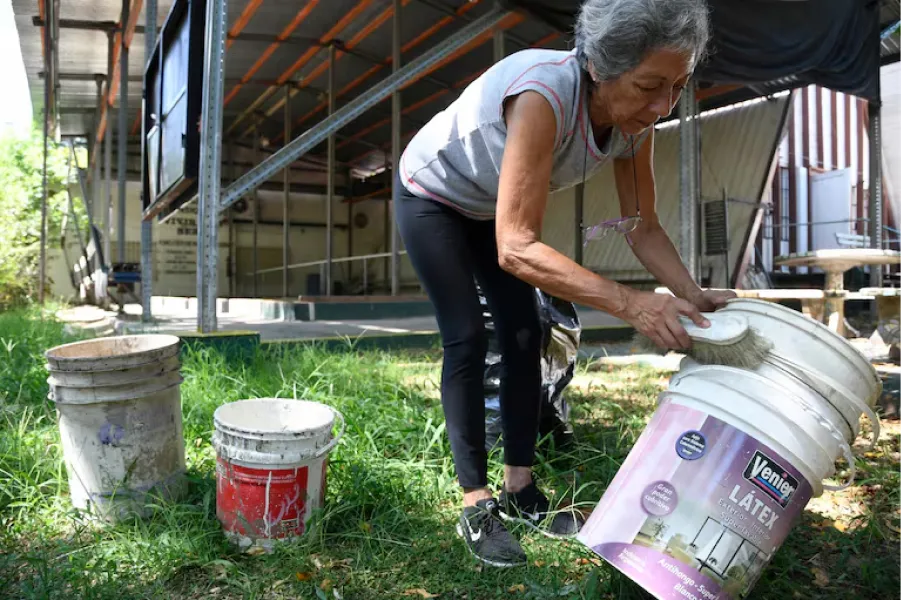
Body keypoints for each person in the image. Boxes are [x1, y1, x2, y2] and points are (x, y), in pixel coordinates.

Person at [394, 0, 735, 568]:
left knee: (526, 331)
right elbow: (517, 247)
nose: (663, 106)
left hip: (487, 207)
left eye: (677, 87)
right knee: (467, 336)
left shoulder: (634, 123)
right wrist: (632, 304)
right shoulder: (542, 96)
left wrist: (693, 296)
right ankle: (476, 502)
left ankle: (520, 489)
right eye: (650, 86)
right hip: (433, 194)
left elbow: (642, 226)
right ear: (599, 66)